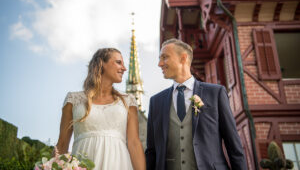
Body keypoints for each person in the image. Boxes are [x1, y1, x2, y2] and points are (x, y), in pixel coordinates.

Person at [145, 39, 247, 170]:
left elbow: (233, 145)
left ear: (183, 58)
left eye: (164, 58)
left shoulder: (215, 93)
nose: (159, 64)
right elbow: (151, 152)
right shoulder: (156, 102)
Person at [56, 48, 146, 170]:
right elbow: (62, 143)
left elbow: (134, 143)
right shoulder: (73, 99)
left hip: (119, 164)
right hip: (82, 164)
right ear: (101, 64)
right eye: (119, 62)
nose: (124, 68)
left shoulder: (128, 101)